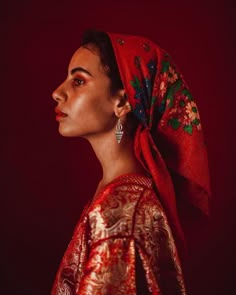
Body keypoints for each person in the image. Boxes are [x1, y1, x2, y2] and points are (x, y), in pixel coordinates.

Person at [51, 30, 211, 294]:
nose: (57, 92)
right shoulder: (121, 197)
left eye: (78, 81)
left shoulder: (118, 213)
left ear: (122, 101)